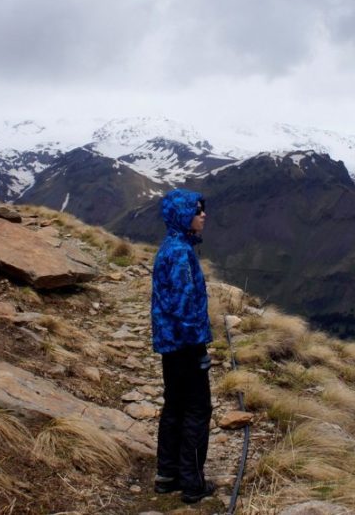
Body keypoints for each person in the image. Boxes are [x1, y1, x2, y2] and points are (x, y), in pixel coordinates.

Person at [150, 188, 215, 504]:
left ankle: (168, 474)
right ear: (182, 215)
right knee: (197, 408)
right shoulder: (181, 253)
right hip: (185, 344)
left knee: (175, 405)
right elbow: (184, 305)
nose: (203, 214)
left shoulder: (171, 247)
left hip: (170, 344)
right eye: (197, 210)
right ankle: (192, 482)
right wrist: (198, 347)